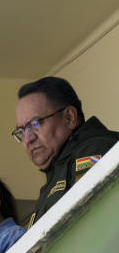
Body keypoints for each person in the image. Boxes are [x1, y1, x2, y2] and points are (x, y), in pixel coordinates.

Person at [13, 76, 119, 225]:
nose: (28, 139)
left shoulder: (94, 149)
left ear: (69, 117)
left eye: (35, 124)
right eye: (21, 131)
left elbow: (96, 220)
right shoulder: (51, 181)